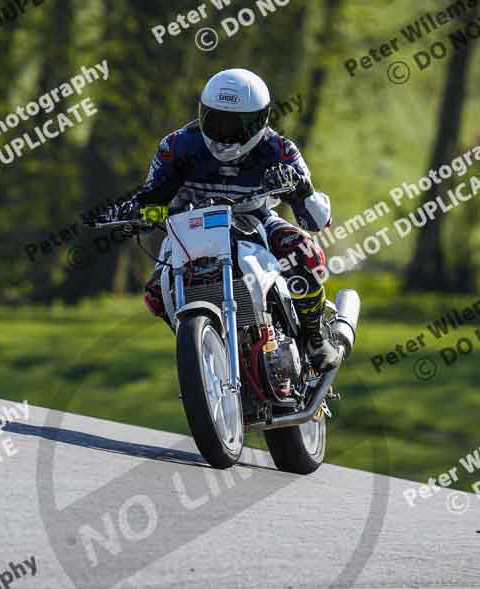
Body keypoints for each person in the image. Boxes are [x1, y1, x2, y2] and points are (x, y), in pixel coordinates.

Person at [111, 68, 341, 372]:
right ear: (202, 113)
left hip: (256, 219)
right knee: (155, 293)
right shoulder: (177, 147)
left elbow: (317, 220)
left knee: (305, 251)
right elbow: (152, 198)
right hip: (191, 225)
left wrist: (301, 189)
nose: (224, 136)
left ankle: (313, 335)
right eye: (216, 122)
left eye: (237, 126)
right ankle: (202, 349)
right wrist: (134, 211)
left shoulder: (279, 150)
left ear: (261, 120)